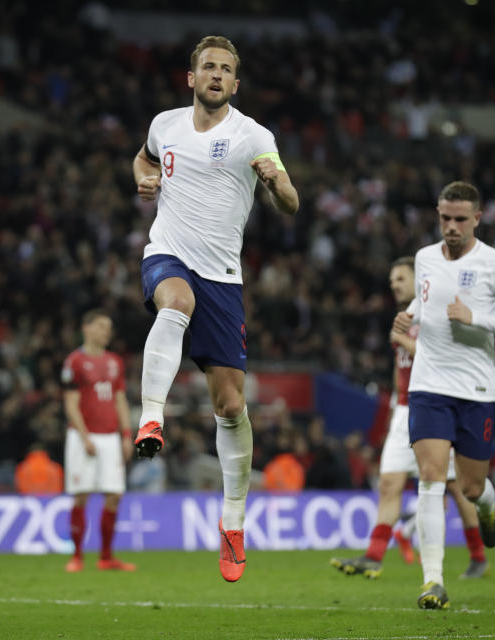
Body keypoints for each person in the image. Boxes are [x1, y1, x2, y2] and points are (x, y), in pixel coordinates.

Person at [131, 35, 299, 582]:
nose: (217, 75)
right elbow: (144, 156)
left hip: (223, 278)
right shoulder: (165, 124)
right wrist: (142, 177)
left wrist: (276, 183)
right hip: (169, 255)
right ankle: (151, 418)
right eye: (209, 67)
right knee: (174, 301)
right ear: (191, 77)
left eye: (227, 69)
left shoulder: (253, 135)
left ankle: (232, 524)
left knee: (230, 405)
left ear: (236, 82)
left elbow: (291, 202)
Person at [393, 181, 495, 610]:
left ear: (477, 218)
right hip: (428, 385)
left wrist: (478, 319)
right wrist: (410, 315)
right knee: (431, 479)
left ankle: (487, 503)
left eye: (460, 219)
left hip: (475, 390)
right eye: (445, 218)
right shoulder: (423, 258)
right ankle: (433, 580)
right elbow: (427, 300)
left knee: (471, 488)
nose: (451, 227)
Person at [331, 257, 488, 580]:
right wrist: (391, 411)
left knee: (457, 487)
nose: (394, 284)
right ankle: (374, 556)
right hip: (404, 410)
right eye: (392, 279)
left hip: (435, 407)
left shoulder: (436, 313)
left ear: (419, 281)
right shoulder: (404, 318)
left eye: (400, 278)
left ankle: (478, 556)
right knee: (389, 483)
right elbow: (399, 366)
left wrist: (401, 340)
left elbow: (440, 356)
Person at [61, 310, 135, 572]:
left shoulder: (115, 362)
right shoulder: (75, 362)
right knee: (81, 495)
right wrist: (84, 436)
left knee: (114, 494)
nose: (107, 332)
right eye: (102, 326)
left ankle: (106, 557)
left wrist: (126, 435)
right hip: (83, 437)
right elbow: (71, 403)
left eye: (109, 327)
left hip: (110, 437)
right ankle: (77, 556)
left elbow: (120, 399)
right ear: (87, 328)